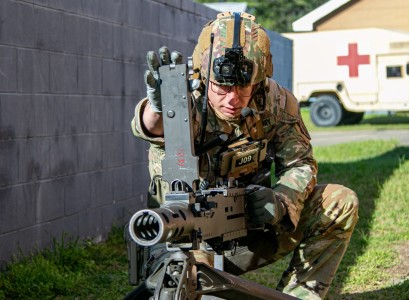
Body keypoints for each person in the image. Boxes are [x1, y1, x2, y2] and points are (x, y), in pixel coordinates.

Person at [131, 12, 359, 300]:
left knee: (339, 202)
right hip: (187, 238)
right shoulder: (183, 98)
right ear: (204, 75)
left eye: (243, 87)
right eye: (223, 87)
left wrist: (282, 199)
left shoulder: (276, 101)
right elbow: (153, 128)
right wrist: (161, 106)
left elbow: (300, 163)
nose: (232, 98)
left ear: (259, 77)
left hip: (252, 229)